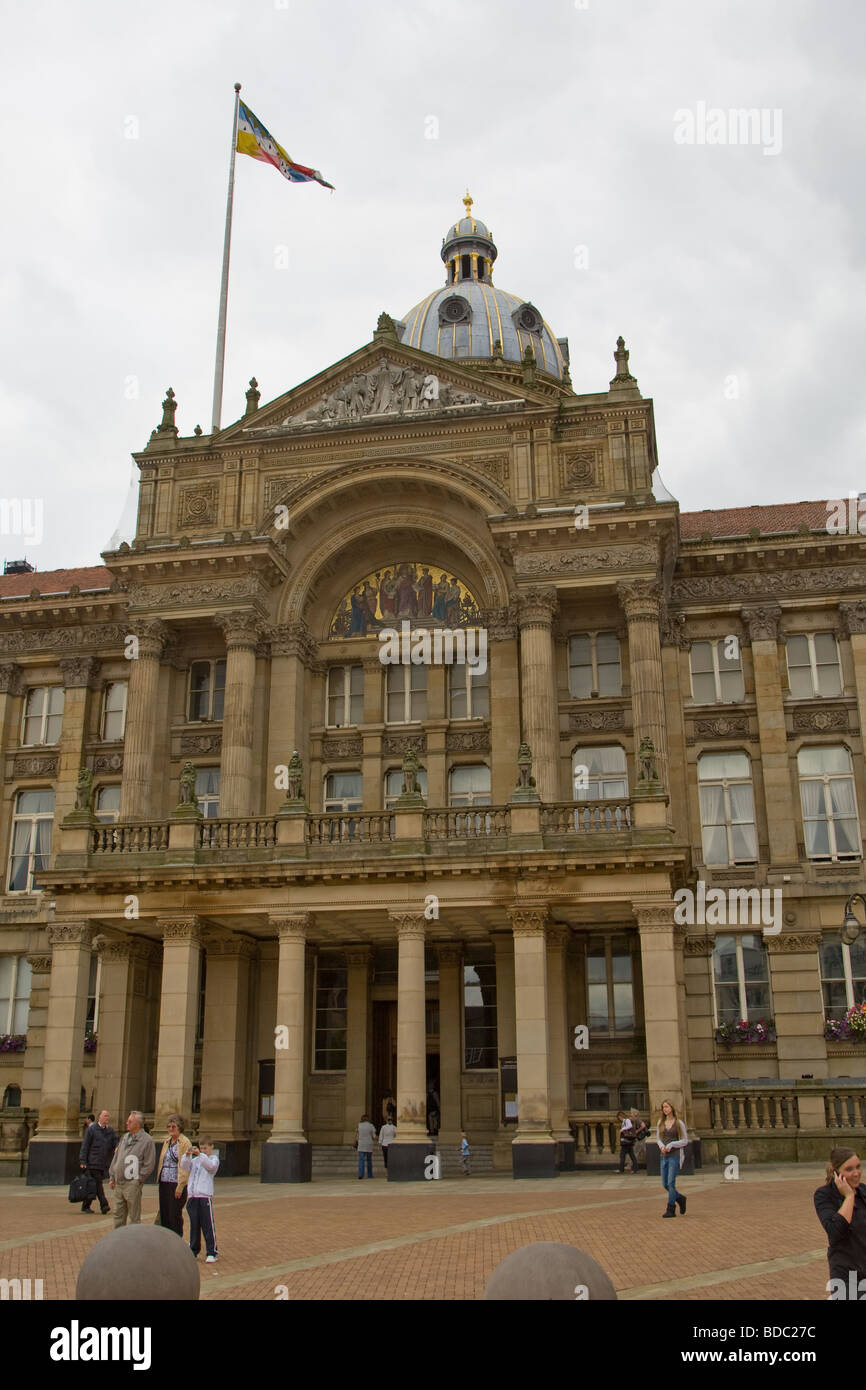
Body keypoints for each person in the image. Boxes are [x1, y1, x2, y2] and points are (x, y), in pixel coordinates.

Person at [814, 1147, 866, 1298]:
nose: (856, 1173)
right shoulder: (824, 1195)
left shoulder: (864, 1192)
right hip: (846, 1277)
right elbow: (835, 1231)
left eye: (858, 1167)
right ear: (835, 1172)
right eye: (849, 1169)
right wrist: (849, 1196)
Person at [108, 1111, 156, 1228]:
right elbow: (117, 1157)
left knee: (134, 1217)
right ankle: (118, 1240)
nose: (126, 1123)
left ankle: (133, 1242)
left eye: (130, 1121)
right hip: (119, 1183)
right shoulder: (125, 1137)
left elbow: (149, 1163)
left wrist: (139, 1179)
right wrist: (112, 1176)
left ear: (138, 1124)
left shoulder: (147, 1140)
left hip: (132, 1184)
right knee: (118, 1215)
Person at [181, 1136, 220, 1263]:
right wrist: (187, 1155)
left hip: (204, 1197)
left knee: (207, 1225)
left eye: (205, 1148)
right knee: (194, 1225)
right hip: (193, 1196)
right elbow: (184, 1166)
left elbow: (210, 1167)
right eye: (201, 1148)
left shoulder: (213, 1159)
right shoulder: (196, 1160)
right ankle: (193, 1249)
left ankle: (212, 1252)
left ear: (211, 1147)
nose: (203, 1150)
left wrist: (201, 1155)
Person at [156, 1114, 192, 1236]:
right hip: (164, 1181)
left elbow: (186, 1166)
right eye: (169, 1126)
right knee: (165, 1212)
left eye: (174, 1126)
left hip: (176, 1182)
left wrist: (180, 1186)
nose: (171, 1129)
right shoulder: (167, 1142)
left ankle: (177, 1239)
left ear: (179, 1127)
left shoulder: (185, 1142)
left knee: (174, 1214)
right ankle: (167, 1239)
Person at [78, 1108, 119, 1214]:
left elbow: (116, 1141)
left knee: (94, 1184)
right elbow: (85, 1145)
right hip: (93, 1161)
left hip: (103, 1162)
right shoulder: (92, 1130)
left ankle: (86, 1205)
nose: (107, 1118)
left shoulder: (110, 1131)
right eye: (105, 1116)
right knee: (98, 1183)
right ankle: (104, 1205)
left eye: (108, 1116)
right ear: (99, 1117)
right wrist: (83, 1161)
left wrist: (117, 1147)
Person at [656, 1099, 688, 1216]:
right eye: (663, 1107)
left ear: (672, 1108)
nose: (665, 1109)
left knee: (671, 1183)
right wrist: (661, 1146)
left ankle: (671, 1209)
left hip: (674, 1155)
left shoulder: (679, 1123)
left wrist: (671, 1145)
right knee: (665, 1184)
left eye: (667, 1107)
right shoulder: (660, 1122)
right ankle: (680, 1198)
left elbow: (685, 1140)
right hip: (663, 1155)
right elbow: (658, 1138)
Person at [356, 1113, 377, 1179]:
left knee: (361, 1160)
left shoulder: (359, 1125)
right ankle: (369, 1175)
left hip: (361, 1144)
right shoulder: (371, 1126)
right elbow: (374, 1136)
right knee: (369, 1160)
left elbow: (357, 1134)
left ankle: (360, 1174)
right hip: (368, 1144)